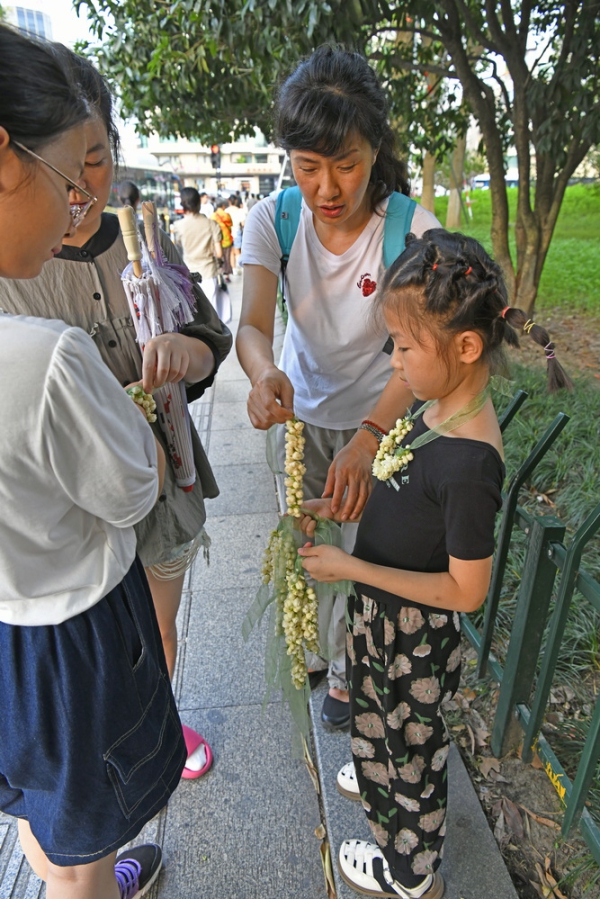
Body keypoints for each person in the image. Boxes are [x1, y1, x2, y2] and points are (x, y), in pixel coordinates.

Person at [296, 229, 572, 899]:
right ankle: (374, 761)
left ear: (467, 346)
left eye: (406, 345)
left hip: (411, 642)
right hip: (383, 621)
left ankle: (412, 872)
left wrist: (354, 569)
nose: (394, 360)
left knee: (411, 747)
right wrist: (342, 508)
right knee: (379, 718)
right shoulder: (438, 403)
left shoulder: (473, 460)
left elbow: (465, 589)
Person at [0, 44, 232, 779]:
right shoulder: (13, 270)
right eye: (71, 165)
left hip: (161, 477)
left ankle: (155, 723)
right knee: (96, 638)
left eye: (97, 159)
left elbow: (208, 338)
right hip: (71, 507)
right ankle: (114, 758)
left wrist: (186, 354)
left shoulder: (145, 239)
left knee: (156, 624)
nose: (82, 189)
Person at [0, 23, 186, 898]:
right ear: (6, 161)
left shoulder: (135, 247)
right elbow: (130, 486)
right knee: (81, 852)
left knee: (39, 811)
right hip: (71, 639)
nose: (81, 204)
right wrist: (137, 429)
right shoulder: (42, 358)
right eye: (70, 178)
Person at [237, 46, 441, 728]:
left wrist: (370, 436)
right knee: (309, 539)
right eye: (308, 166)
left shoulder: (409, 233)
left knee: (364, 552)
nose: (327, 187)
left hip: (378, 421)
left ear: (375, 151)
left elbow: (421, 359)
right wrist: (265, 371)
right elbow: (252, 325)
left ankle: (353, 672)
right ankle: (321, 645)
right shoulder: (275, 219)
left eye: (346, 165)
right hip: (300, 417)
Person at [172, 186, 224, 313]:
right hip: (209, 272)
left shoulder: (178, 226)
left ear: (183, 204)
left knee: (194, 315)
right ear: (199, 202)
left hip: (188, 275)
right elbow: (219, 254)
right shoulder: (211, 224)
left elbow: (177, 248)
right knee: (213, 313)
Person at [212, 197, 234, 279]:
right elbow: (230, 225)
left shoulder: (213, 216)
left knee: (218, 258)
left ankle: (219, 274)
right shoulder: (227, 215)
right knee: (227, 258)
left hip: (216, 240)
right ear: (223, 206)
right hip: (227, 239)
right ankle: (227, 275)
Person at [226, 194, 245, 274]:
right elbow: (243, 223)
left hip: (228, 232)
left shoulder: (226, 210)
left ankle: (233, 269)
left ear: (229, 201)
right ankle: (240, 267)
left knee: (231, 251)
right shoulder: (240, 210)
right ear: (236, 201)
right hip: (237, 231)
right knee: (238, 250)